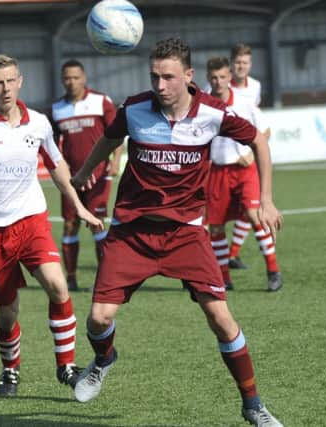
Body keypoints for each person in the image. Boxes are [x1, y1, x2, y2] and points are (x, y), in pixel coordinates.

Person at [70, 38, 284, 427]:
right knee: (99, 319)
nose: (160, 85)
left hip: (186, 234)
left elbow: (257, 140)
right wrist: (86, 172)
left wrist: (266, 198)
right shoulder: (135, 108)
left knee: (220, 317)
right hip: (132, 232)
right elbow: (110, 138)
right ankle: (103, 360)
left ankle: (253, 404)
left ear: (188, 76)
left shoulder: (214, 113)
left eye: (168, 77)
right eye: (154, 76)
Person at [0, 54, 104, 397]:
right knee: (7, 311)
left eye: (10, 80)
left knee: (58, 286)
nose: (5, 88)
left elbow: (56, 166)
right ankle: (10, 369)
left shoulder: (38, 123)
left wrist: (79, 206)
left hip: (31, 219)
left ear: (20, 81)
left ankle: (66, 366)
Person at [205, 56, 282, 292]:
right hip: (217, 171)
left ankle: (273, 271)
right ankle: (225, 278)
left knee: (254, 215)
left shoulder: (245, 103)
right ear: (208, 78)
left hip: (244, 170)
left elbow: (265, 130)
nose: (218, 82)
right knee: (215, 227)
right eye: (214, 78)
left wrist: (250, 153)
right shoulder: (203, 105)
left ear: (230, 77)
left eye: (222, 77)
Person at [51, 59, 122, 291]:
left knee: (97, 225)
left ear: (84, 78)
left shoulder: (101, 101)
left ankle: (104, 279)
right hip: (71, 179)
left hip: (99, 175)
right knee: (70, 225)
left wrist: (115, 161)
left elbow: (117, 133)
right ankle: (70, 279)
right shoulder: (57, 109)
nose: (71, 82)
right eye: (67, 78)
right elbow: (52, 145)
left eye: (75, 77)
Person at [226, 43, 264, 269]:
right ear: (231, 63)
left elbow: (256, 121)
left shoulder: (255, 87)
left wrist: (251, 152)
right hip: (223, 161)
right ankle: (219, 258)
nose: (241, 66)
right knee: (214, 216)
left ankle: (233, 254)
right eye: (238, 62)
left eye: (245, 62)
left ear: (250, 65)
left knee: (249, 208)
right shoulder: (217, 85)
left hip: (248, 157)